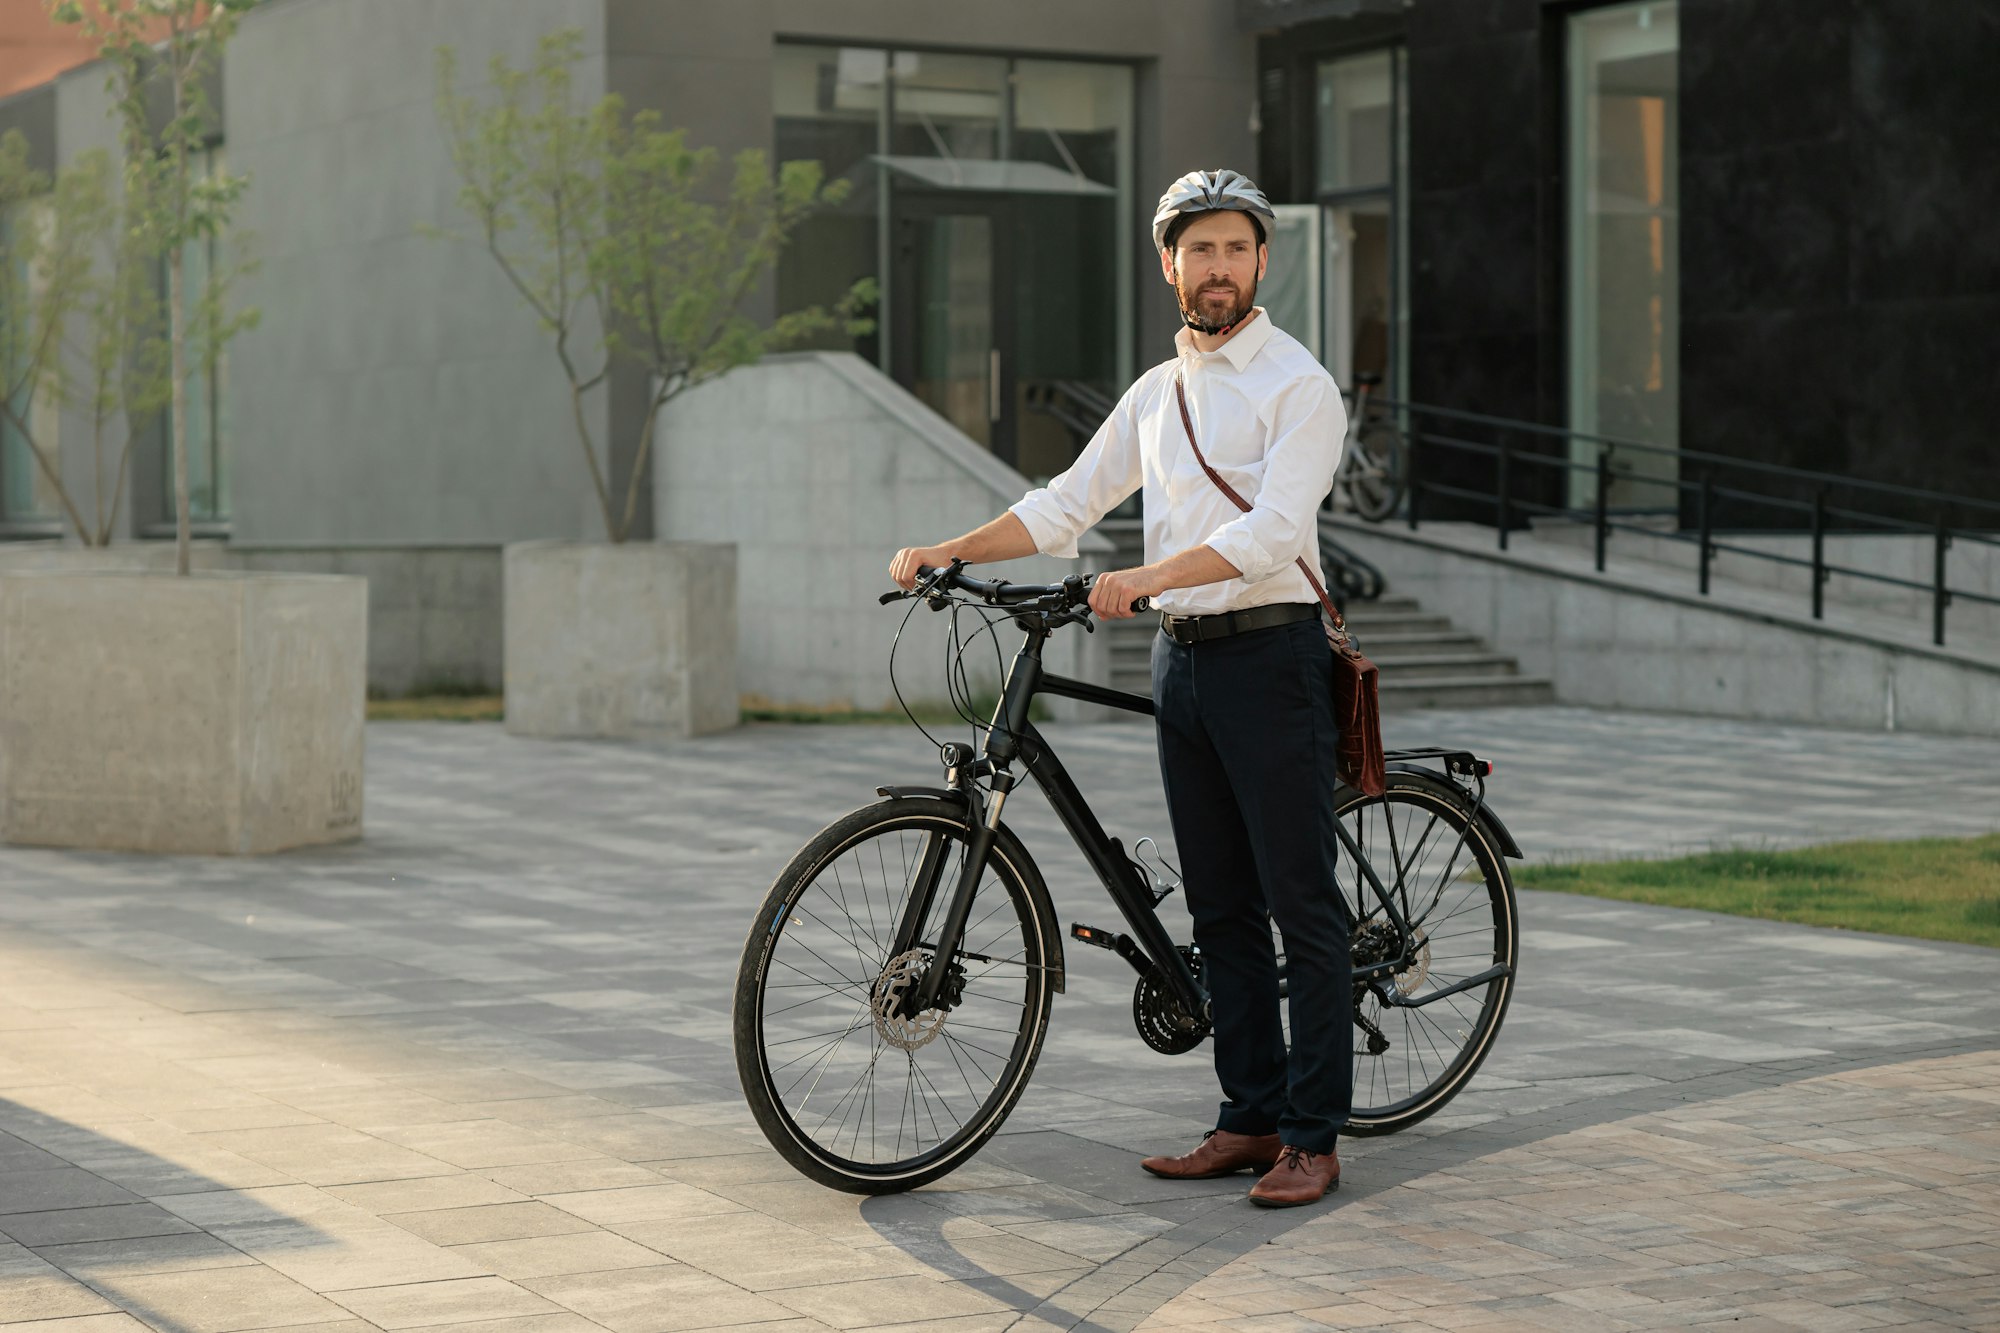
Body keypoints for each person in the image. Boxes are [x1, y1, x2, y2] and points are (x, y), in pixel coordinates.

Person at [890, 169, 1352, 1208]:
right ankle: (1247, 1117)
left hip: (1270, 653)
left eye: (1235, 248)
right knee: (1222, 906)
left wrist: (1143, 575)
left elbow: (1271, 532)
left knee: (1297, 903)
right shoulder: (1156, 394)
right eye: (1200, 251)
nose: (1218, 267)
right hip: (1181, 663)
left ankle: (1313, 1136)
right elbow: (1064, 505)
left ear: (1261, 261)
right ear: (1168, 265)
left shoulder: (1297, 384)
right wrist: (948, 550)